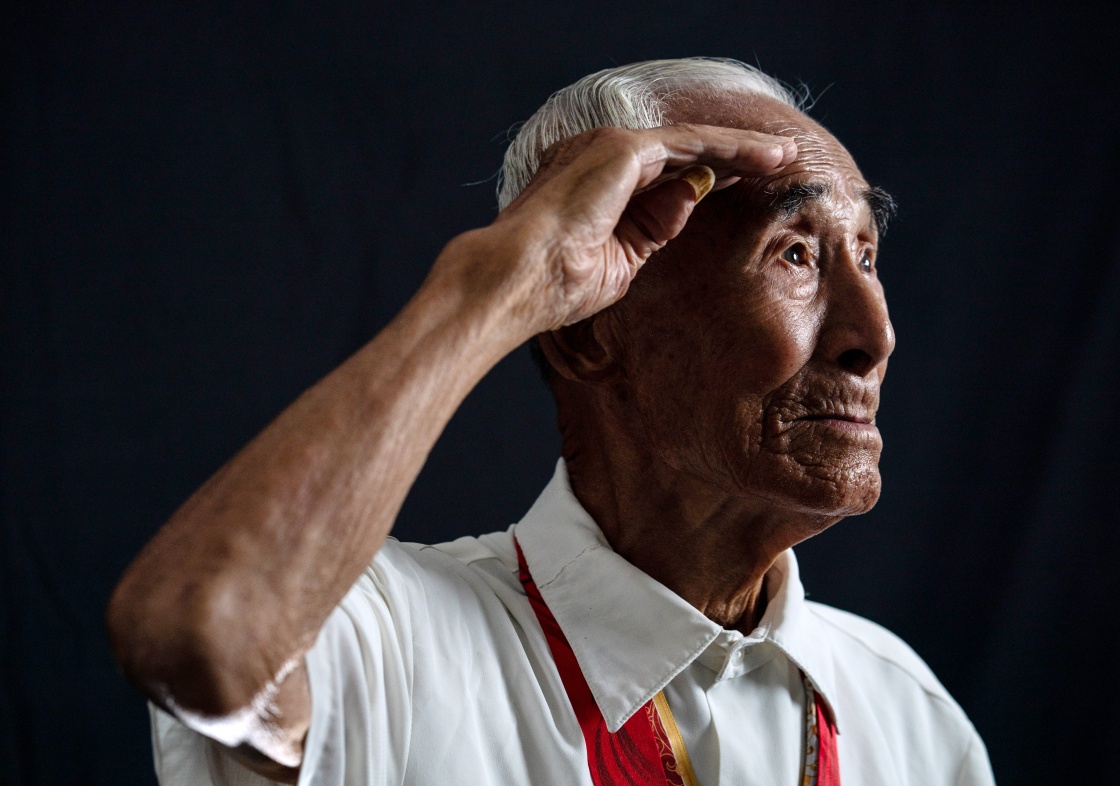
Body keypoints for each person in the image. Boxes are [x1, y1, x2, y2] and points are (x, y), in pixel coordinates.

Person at [106, 58, 996, 785]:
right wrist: (498, 280)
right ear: (586, 332)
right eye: (794, 254)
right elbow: (194, 630)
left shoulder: (908, 720)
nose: (875, 336)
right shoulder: (400, 647)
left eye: (866, 257)